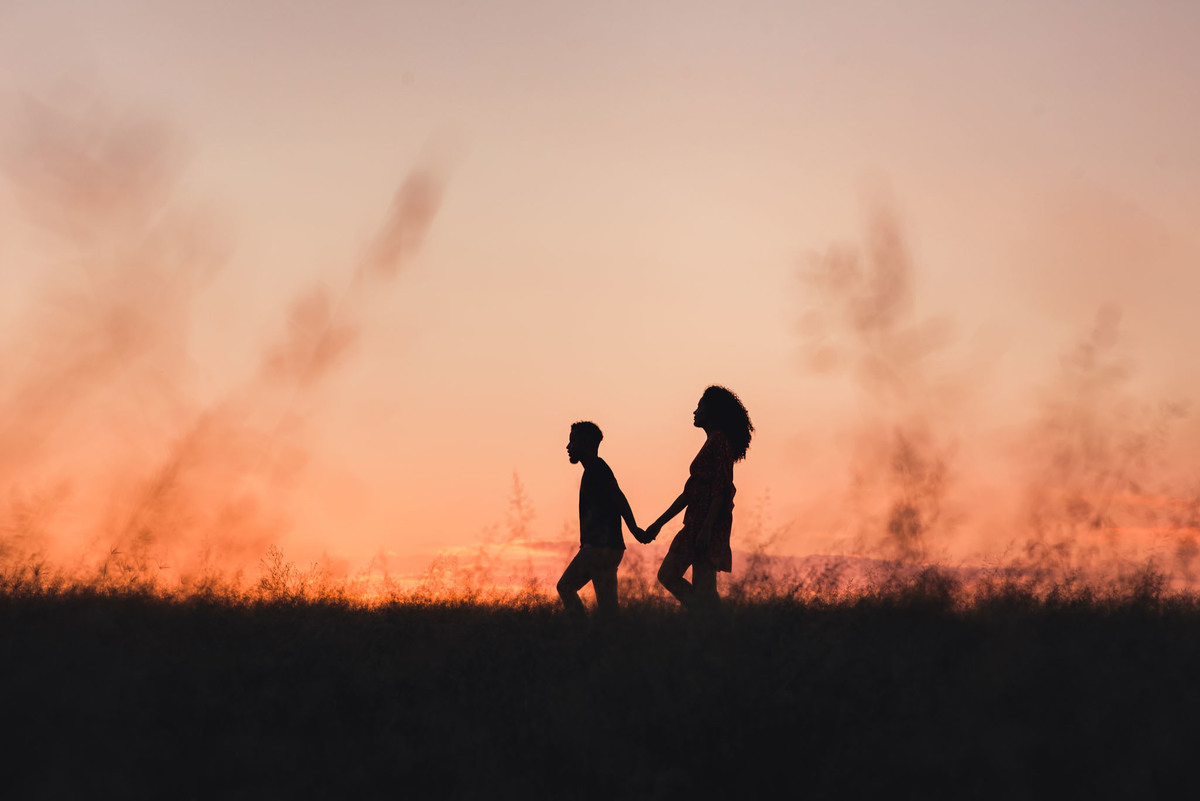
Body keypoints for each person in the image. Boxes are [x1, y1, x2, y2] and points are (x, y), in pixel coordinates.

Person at [643, 386, 753, 610]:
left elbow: (721, 490)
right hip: (697, 523)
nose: (695, 412)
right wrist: (658, 523)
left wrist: (707, 528)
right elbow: (689, 493)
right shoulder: (713, 442)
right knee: (703, 589)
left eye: (699, 407)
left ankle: (706, 618)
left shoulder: (719, 441)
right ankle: (709, 620)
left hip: (705, 525)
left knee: (673, 576)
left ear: (711, 411)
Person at [557, 421, 643, 617]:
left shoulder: (597, 468)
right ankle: (609, 634)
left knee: (566, 587)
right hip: (611, 548)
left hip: (598, 548)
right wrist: (633, 529)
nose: (568, 447)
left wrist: (634, 529)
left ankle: (580, 629)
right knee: (609, 609)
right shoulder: (594, 469)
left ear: (585, 443)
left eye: (573, 441)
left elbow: (618, 497)